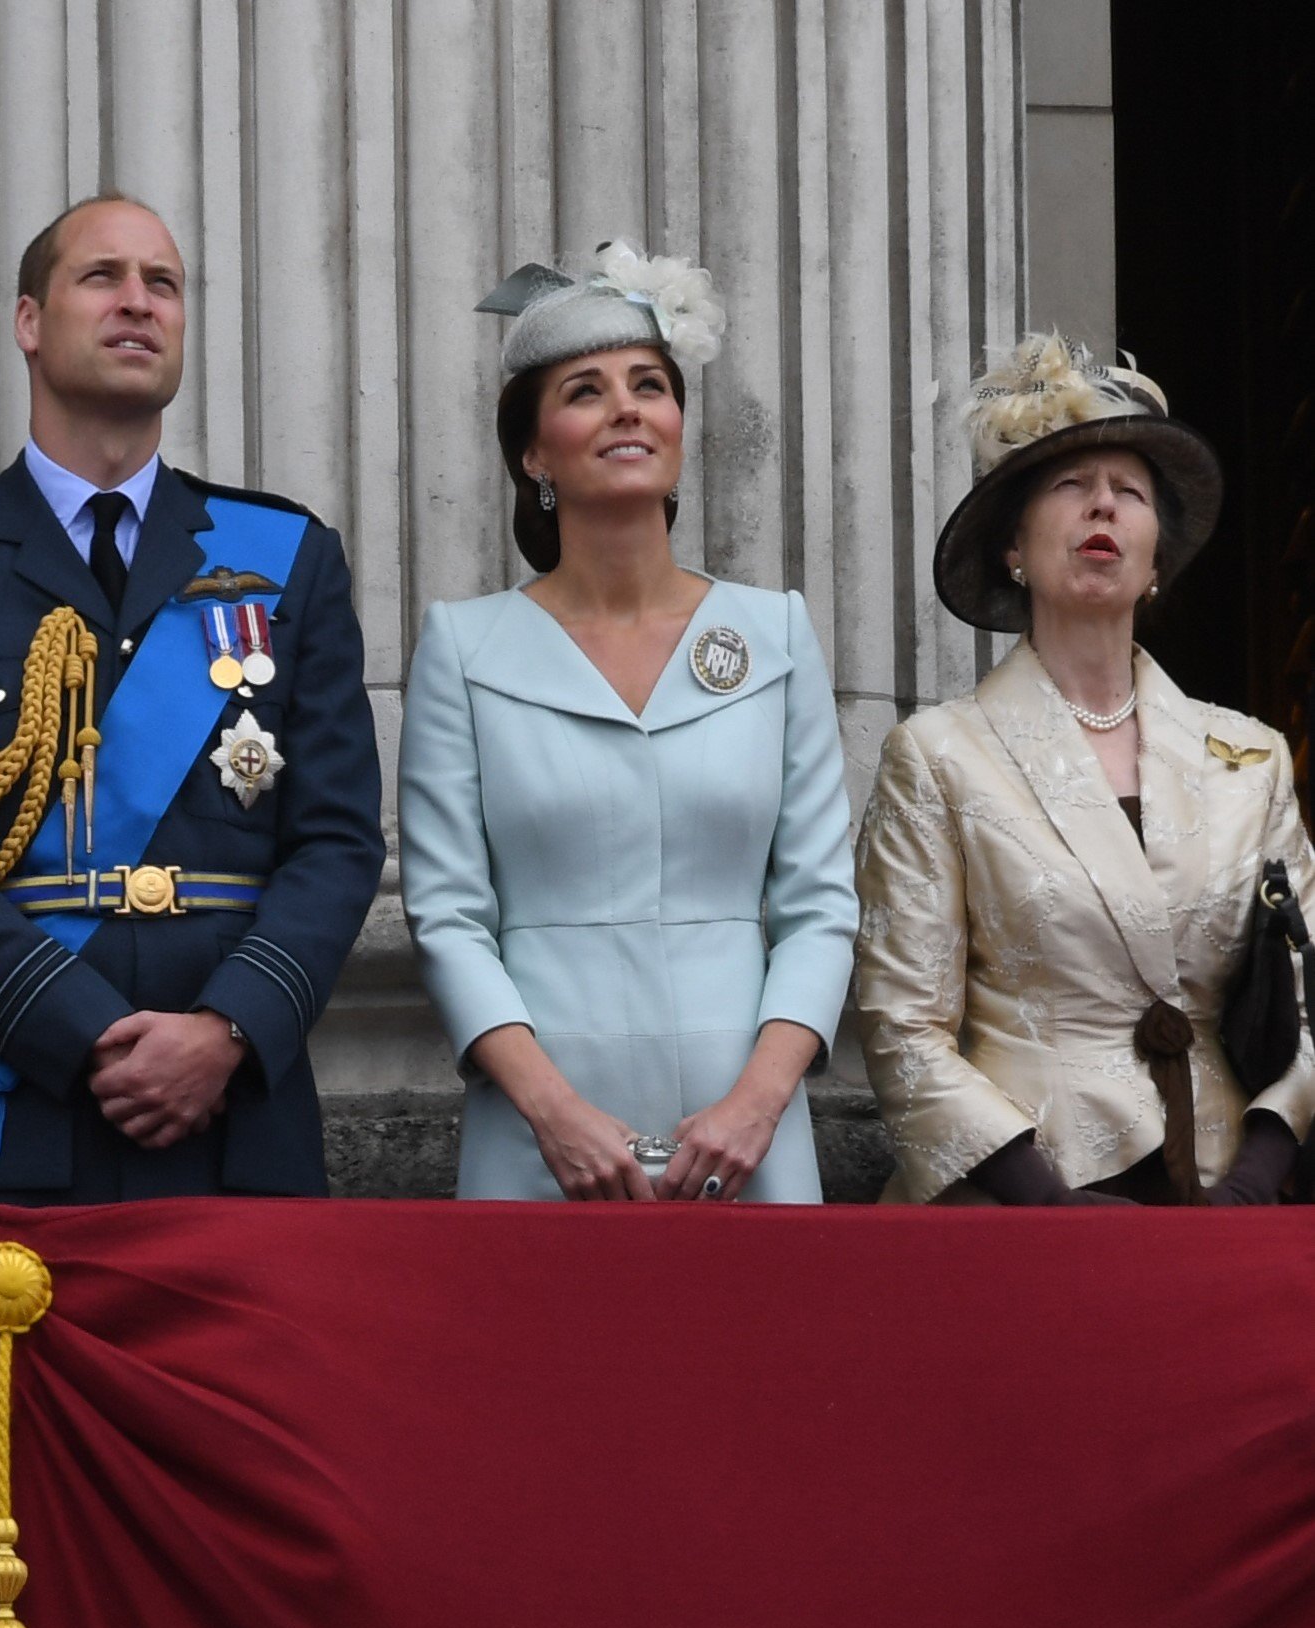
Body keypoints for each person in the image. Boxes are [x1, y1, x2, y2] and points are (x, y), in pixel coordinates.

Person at [0, 194, 383, 1202]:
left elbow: (337, 840)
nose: (138, 302)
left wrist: (226, 1029)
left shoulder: (285, 559)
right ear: (29, 322)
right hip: (13, 1106)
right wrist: (78, 1030)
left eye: (161, 283)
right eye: (103, 277)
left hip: (233, 1120)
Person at [400, 245, 859, 1202]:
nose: (626, 407)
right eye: (585, 389)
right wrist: (551, 1111)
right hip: (541, 1138)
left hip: (746, 1137)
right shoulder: (464, 647)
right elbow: (448, 915)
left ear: (679, 426)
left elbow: (819, 906)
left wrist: (758, 1106)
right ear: (533, 452)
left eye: (650, 385)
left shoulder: (772, 632)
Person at [853, 334, 1315, 1204]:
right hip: (1022, 1204)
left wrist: (1252, 1184)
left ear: (1154, 562)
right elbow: (902, 1029)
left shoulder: (1250, 758)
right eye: (1071, 486)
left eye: (1130, 492)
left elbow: (1306, 1003)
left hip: (1226, 1199)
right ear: (1014, 549)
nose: (1102, 504)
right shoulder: (938, 755)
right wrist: (1051, 1210)